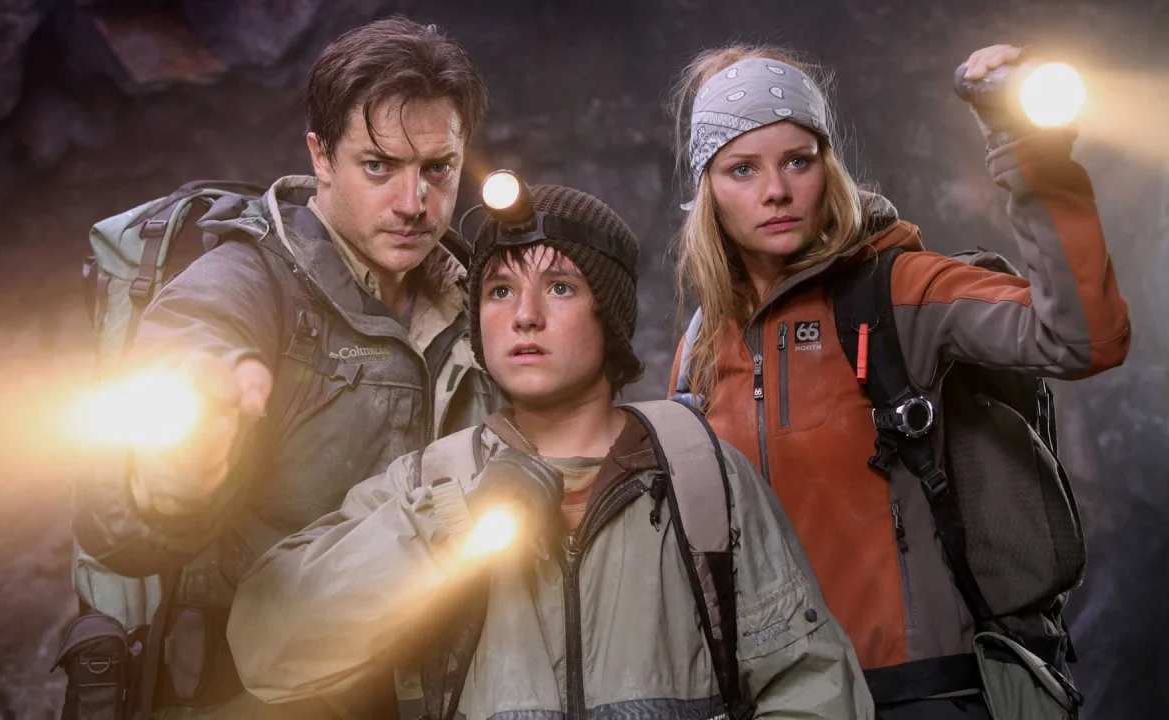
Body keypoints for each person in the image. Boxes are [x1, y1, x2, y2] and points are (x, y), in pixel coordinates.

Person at [225, 180, 875, 720]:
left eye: (560, 287)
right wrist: (448, 526)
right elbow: (268, 652)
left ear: (609, 317)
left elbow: (813, 687)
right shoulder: (431, 482)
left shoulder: (700, 477)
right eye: (499, 291)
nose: (524, 315)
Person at [666, 43, 1130, 718]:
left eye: (798, 160)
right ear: (708, 188)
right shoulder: (702, 347)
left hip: (923, 692)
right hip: (778, 703)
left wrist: (1031, 156)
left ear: (828, 167)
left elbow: (1085, 338)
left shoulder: (899, 290)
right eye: (743, 168)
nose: (776, 191)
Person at [70, 17, 500, 719]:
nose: (413, 203)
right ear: (321, 157)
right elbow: (118, 517)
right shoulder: (246, 280)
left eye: (436, 169)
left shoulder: (483, 298)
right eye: (378, 166)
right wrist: (178, 467)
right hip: (252, 693)